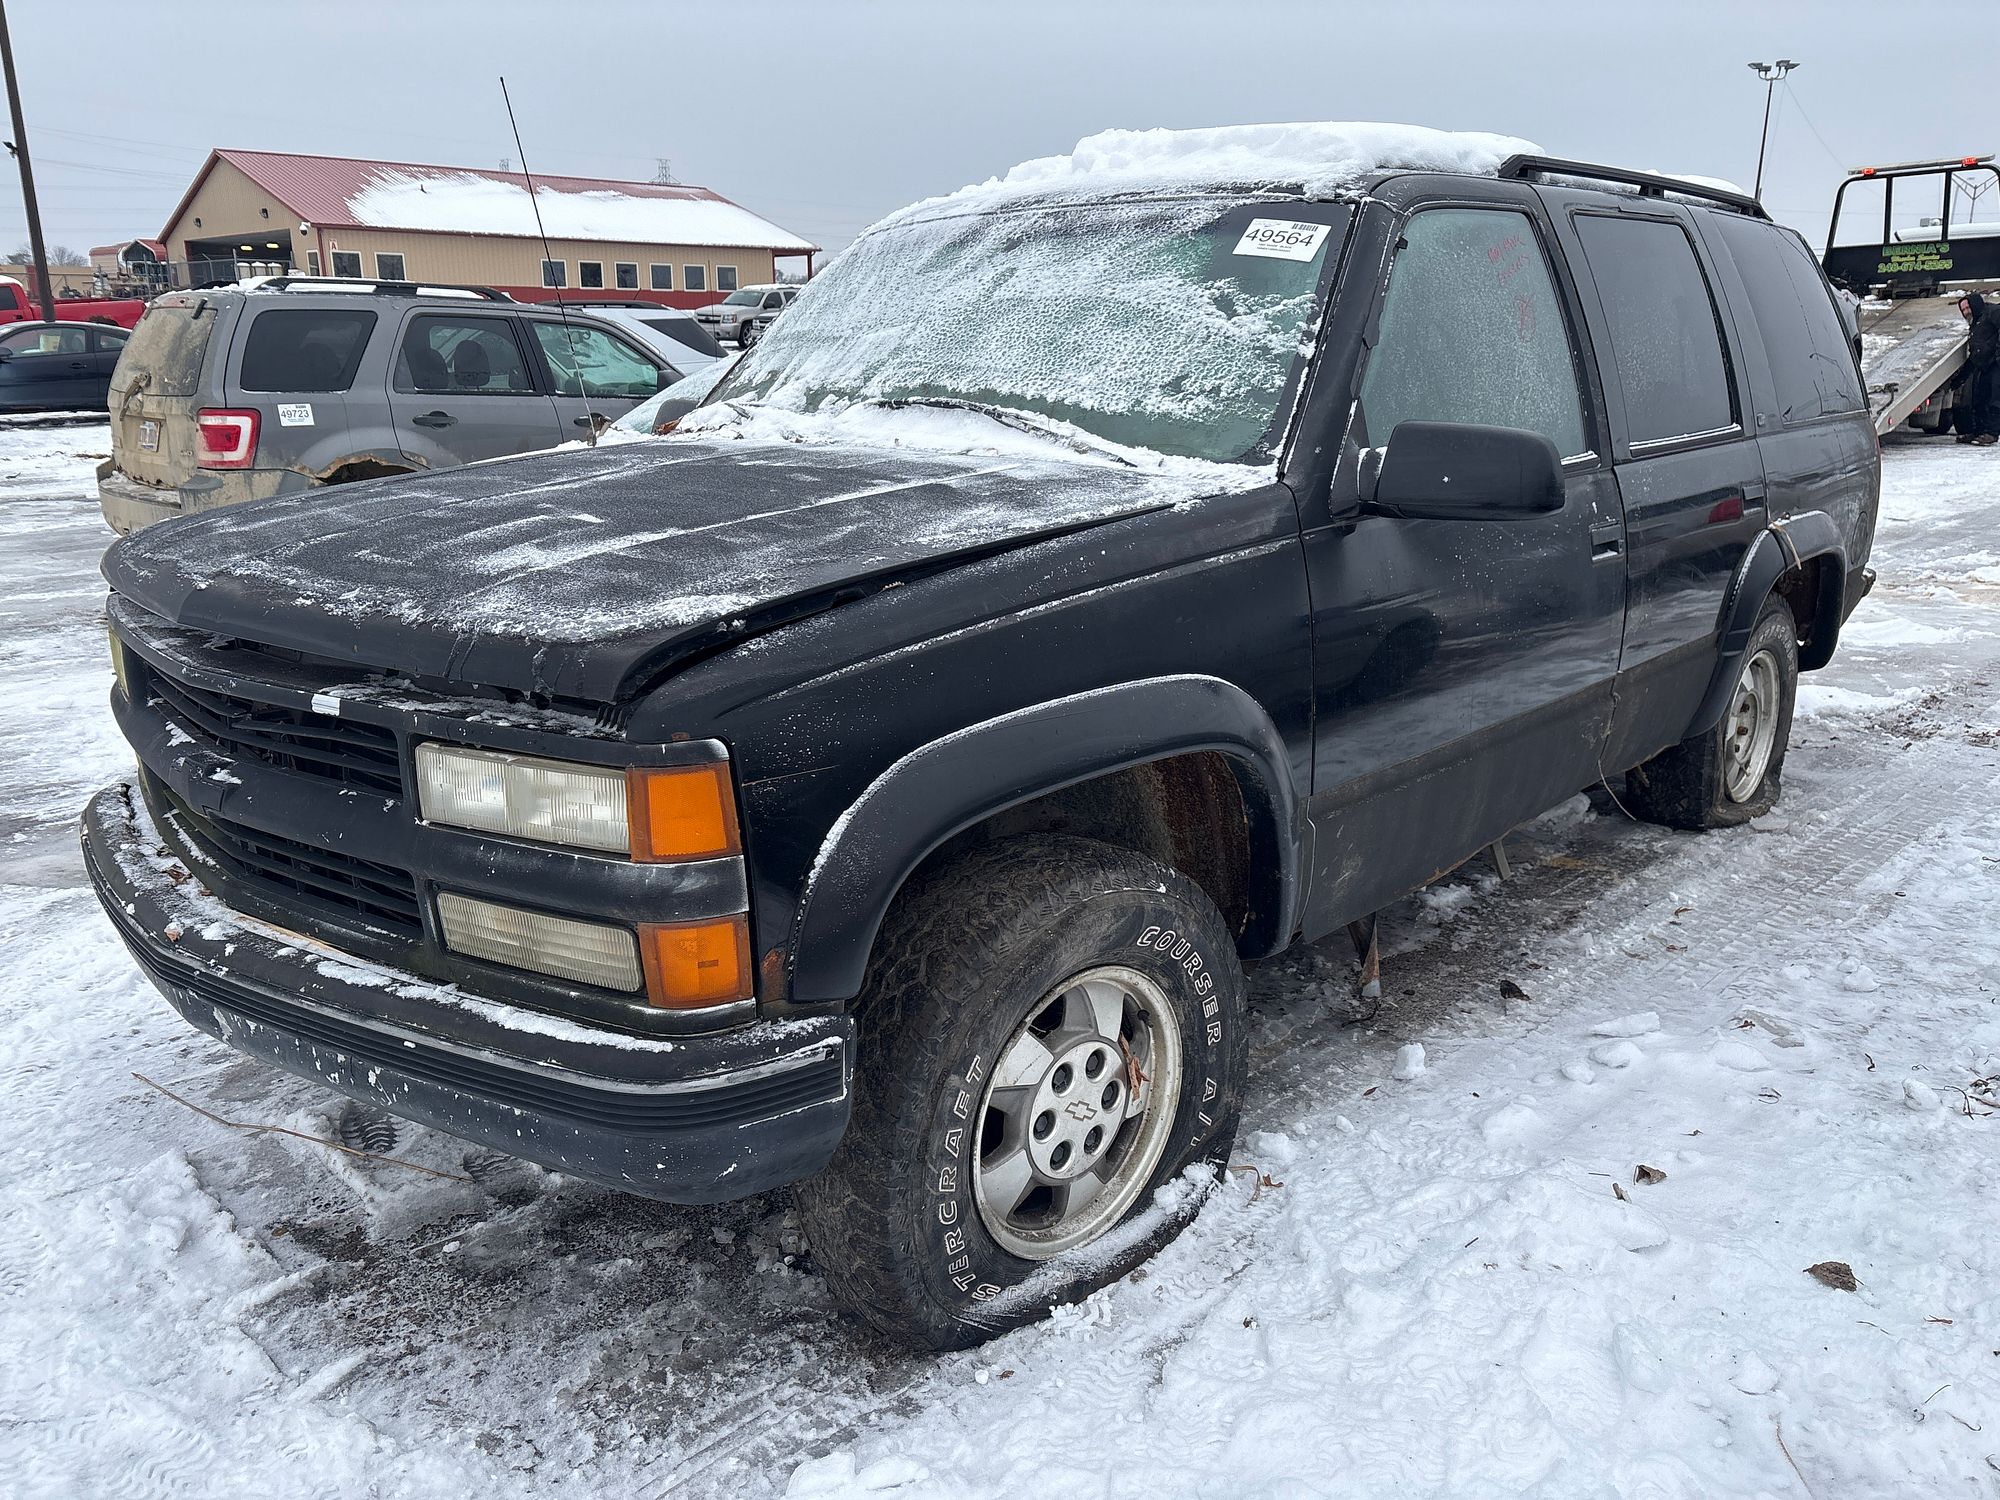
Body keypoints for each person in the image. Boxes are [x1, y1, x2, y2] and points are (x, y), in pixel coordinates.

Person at [1952, 292, 2000, 445]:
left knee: (1995, 400)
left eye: (1967, 308)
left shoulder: (1992, 312)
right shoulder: (1975, 323)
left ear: (1975, 305)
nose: (1966, 312)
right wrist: (1960, 378)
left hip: (1995, 364)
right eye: (1963, 310)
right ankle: (1979, 432)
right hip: (1984, 365)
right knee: (1979, 400)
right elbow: (1975, 355)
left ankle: (1992, 433)